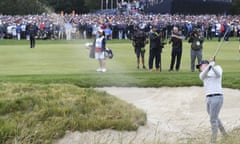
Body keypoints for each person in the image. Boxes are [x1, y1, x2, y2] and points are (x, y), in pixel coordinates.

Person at [196, 57, 228, 144]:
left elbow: (218, 74)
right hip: (208, 98)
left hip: (217, 97)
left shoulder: (217, 68)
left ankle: (213, 141)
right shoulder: (203, 74)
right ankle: (225, 135)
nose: (199, 68)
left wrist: (212, 66)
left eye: (200, 66)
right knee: (215, 117)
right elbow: (203, 76)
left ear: (205, 65)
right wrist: (209, 66)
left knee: (213, 120)